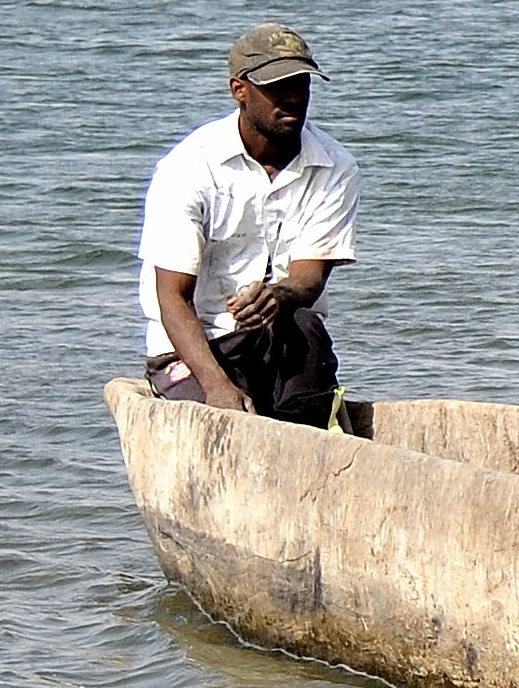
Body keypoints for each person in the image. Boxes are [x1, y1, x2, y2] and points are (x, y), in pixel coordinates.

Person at [139, 23, 362, 427]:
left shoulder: (335, 166)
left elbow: (309, 279)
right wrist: (216, 386)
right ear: (239, 89)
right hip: (198, 345)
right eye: (277, 87)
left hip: (279, 340)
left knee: (304, 324)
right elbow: (171, 296)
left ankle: (308, 435)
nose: (293, 97)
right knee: (224, 419)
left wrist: (279, 295)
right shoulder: (188, 168)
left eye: (301, 84)